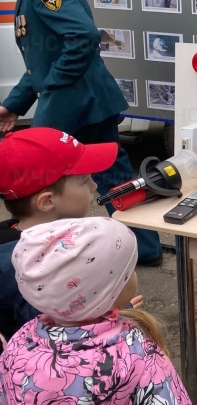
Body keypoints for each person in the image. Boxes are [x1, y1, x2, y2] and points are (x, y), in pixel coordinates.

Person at [0, 0, 161, 264]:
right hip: (86, 102)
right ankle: (143, 248)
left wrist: (55, 89)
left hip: (73, 102)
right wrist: (13, 105)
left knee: (41, 179)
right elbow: (44, 59)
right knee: (114, 175)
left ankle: (47, 256)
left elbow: (83, 38)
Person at [0, 216, 194, 405]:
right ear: (105, 293)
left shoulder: (19, 341)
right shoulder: (136, 352)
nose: (134, 275)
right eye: (128, 271)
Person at [0, 127, 137, 346]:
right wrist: (118, 312)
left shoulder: (13, 240)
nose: (94, 186)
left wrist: (113, 302)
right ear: (47, 201)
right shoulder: (22, 266)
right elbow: (62, 333)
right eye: (84, 181)